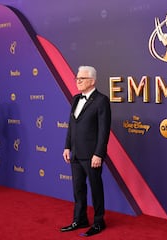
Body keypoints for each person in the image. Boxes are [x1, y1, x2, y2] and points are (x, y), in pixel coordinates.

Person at [61, 65, 111, 237]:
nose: (78, 81)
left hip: (92, 155)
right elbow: (71, 126)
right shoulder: (75, 99)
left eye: (81, 79)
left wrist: (99, 153)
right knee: (78, 189)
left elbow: (104, 130)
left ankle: (99, 222)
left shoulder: (101, 100)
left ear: (92, 80)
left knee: (96, 188)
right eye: (77, 78)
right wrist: (67, 146)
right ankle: (80, 219)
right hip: (75, 153)